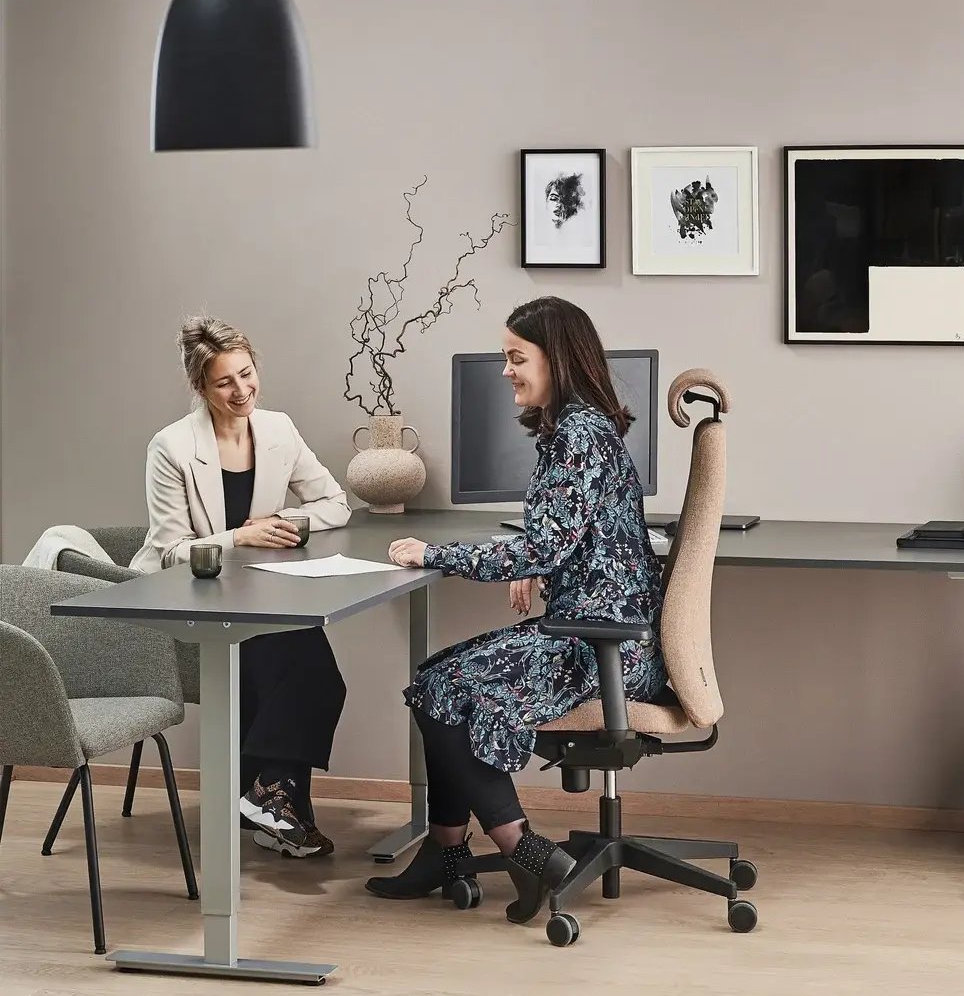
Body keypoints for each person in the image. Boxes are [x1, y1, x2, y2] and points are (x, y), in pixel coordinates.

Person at [366, 295, 666, 921]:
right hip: (601, 631)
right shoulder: (583, 427)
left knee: (442, 686)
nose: (506, 370)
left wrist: (434, 553)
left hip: (602, 645)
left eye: (516, 357)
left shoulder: (578, 435)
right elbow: (564, 536)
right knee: (435, 678)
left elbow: (546, 543)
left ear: (556, 358)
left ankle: (524, 851)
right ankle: (447, 850)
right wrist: (535, 560)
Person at [131, 316, 349, 858]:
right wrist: (239, 537)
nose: (241, 390)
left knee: (311, 673)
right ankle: (275, 803)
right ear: (200, 387)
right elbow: (170, 550)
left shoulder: (278, 430)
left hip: (257, 593)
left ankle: (270, 800)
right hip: (187, 599)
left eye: (247, 374)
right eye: (224, 382)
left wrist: (285, 522)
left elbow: (335, 504)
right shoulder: (172, 446)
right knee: (301, 670)